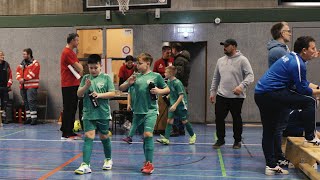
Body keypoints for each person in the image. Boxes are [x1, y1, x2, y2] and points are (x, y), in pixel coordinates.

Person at [255, 36, 320, 176]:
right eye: (313, 48)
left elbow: (304, 82)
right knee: (310, 101)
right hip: (271, 94)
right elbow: (302, 89)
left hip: (262, 94)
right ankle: (310, 136)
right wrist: (317, 92)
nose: (316, 51)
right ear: (304, 50)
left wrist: (318, 88)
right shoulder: (297, 63)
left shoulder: (295, 58)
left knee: (270, 130)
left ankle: (271, 165)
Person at [119, 53, 170, 174]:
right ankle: (146, 160)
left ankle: (149, 163)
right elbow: (121, 87)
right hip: (138, 112)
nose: (137, 65)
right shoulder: (135, 76)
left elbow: (167, 89)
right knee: (145, 138)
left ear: (148, 63)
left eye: (140, 63)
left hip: (151, 111)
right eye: (137, 63)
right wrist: (129, 83)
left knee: (148, 134)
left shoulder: (156, 76)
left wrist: (159, 91)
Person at [74, 54, 115, 175]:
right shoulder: (86, 78)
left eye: (95, 67)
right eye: (91, 68)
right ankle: (86, 164)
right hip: (88, 113)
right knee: (88, 136)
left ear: (100, 65)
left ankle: (108, 159)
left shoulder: (106, 78)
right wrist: (86, 86)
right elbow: (79, 94)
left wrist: (100, 95)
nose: (93, 70)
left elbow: (112, 93)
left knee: (104, 136)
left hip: (102, 113)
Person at [210, 39, 254, 149]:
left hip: (237, 97)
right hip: (221, 95)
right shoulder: (220, 61)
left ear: (234, 46)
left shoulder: (243, 60)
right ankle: (220, 139)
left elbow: (250, 75)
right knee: (219, 118)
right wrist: (212, 92)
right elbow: (216, 77)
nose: (224, 47)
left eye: (227, 46)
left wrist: (241, 86)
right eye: (223, 45)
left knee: (236, 118)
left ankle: (237, 141)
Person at [267, 22, 292, 167]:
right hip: (279, 93)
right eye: (287, 31)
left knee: (279, 127)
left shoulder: (283, 49)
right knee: (278, 127)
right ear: (281, 33)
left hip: (282, 92)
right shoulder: (278, 51)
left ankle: (277, 155)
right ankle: (277, 157)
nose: (290, 33)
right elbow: (292, 70)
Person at [157, 66, 196, 145]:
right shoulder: (168, 81)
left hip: (180, 104)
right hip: (173, 103)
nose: (164, 73)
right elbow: (172, 92)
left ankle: (192, 135)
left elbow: (181, 95)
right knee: (169, 120)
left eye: (166, 72)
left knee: (184, 121)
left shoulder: (177, 83)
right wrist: (168, 96)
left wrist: (175, 105)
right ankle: (166, 139)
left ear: (171, 73)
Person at [60, 33, 83, 140]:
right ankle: (66, 133)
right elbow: (79, 68)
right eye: (77, 40)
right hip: (69, 85)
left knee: (73, 108)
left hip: (73, 84)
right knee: (69, 108)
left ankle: (69, 130)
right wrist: (81, 68)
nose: (78, 42)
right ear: (72, 41)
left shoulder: (71, 52)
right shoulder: (67, 52)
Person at [16, 48, 40, 125]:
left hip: (31, 86)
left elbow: (33, 74)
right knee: (25, 102)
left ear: (29, 54)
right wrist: (19, 79)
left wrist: (24, 79)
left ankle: (34, 119)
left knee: (31, 101)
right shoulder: (22, 64)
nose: (23, 56)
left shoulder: (35, 63)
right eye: (23, 54)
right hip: (23, 86)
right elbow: (17, 72)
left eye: (25, 54)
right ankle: (28, 118)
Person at [171, 43, 191, 136]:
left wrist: (171, 79)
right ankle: (181, 129)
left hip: (179, 86)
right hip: (183, 86)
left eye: (172, 49)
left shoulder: (179, 60)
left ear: (174, 49)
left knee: (177, 108)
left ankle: (177, 129)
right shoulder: (184, 58)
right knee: (181, 108)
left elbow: (178, 74)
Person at [121, 66, 144, 144]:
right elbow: (129, 94)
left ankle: (129, 137)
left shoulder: (141, 84)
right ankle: (144, 136)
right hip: (134, 105)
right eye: (134, 73)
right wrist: (128, 104)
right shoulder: (131, 83)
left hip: (140, 105)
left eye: (137, 73)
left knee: (135, 121)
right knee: (138, 122)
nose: (135, 74)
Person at [0, 51, 12, 124]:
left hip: (4, 88)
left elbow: (10, 75)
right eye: (0, 55)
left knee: (4, 104)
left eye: (2, 54)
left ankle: (4, 118)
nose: (1, 56)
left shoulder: (6, 64)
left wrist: (9, 84)